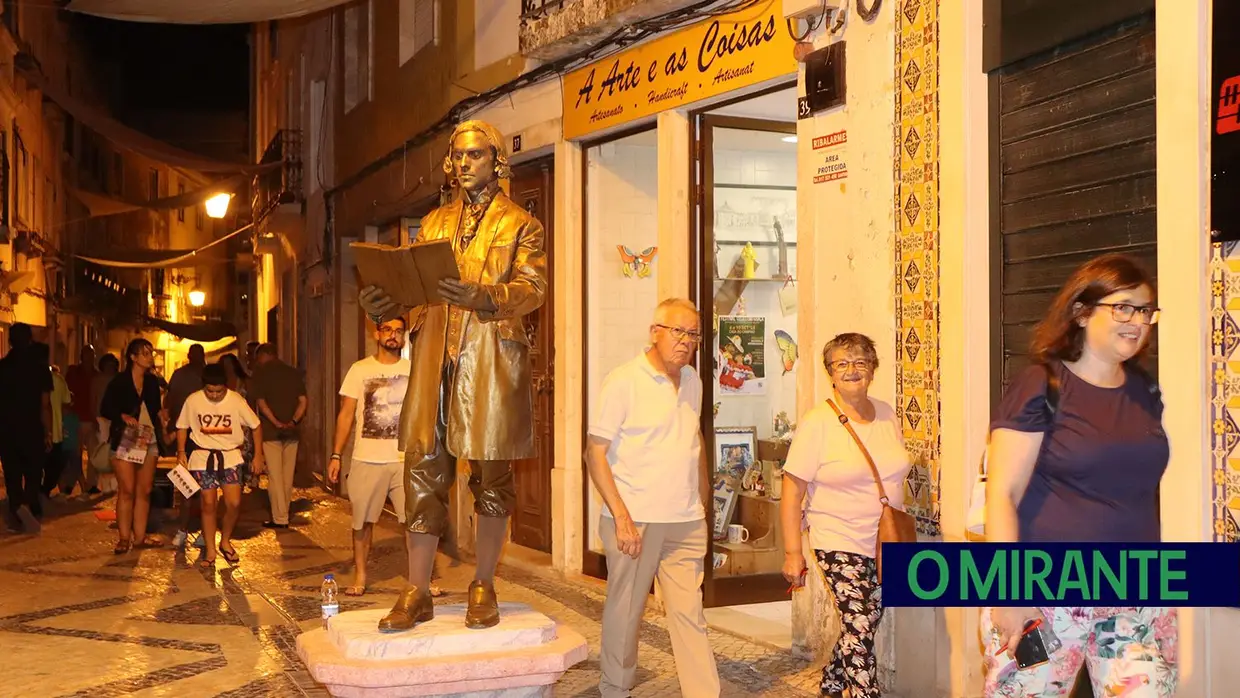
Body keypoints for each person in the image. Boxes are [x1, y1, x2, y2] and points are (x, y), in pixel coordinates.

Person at [359, 119, 547, 631]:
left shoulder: (520, 224)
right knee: (422, 470)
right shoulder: (435, 222)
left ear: (496, 160)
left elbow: (535, 288)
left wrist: (488, 297)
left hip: (488, 356)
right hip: (435, 358)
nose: (465, 164)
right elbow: (415, 290)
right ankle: (417, 589)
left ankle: (483, 581)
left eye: (475, 155)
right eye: (458, 156)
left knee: (492, 475)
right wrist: (384, 303)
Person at [982, 253, 1174, 698]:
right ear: (1082, 312)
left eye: (1146, 310)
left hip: (1132, 591)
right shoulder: (1042, 384)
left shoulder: (1145, 391)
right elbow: (1003, 494)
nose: (1138, 321)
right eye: (1123, 307)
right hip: (1044, 593)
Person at [584, 298, 719, 698]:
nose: (685, 341)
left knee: (689, 614)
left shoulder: (692, 380)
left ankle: (703, 693)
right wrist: (621, 517)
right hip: (636, 519)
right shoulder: (624, 380)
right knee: (626, 613)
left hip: (685, 519)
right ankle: (616, 690)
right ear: (654, 332)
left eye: (692, 334)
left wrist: (704, 496)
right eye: (677, 331)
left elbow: (692, 437)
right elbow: (595, 453)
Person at [779, 333, 912, 698]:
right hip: (838, 538)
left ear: (872, 369)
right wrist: (793, 552)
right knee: (859, 622)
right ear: (830, 373)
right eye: (843, 363)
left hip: (886, 542)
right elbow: (791, 491)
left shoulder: (886, 413)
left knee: (866, 621)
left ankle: (833, 683)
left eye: (860, 362)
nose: (852, 370)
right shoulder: (818, 423)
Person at [328, 317, 411, 596]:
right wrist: (336, 454)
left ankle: (419, 579)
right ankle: (361, 575)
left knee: (414, 522)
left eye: (398, 331)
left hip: (405, 460)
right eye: (388, 330)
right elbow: (346, 415)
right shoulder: (359, 370)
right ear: (377, 333)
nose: (393, 336)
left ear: (403, 336)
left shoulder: (413, 370)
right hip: (367, 458)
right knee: (362, 522)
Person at [176, 364, 265, 568]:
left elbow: (256, 425)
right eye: (210, 391)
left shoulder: (235, 399)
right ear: (203, 387)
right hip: (202, 457)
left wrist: (258, 455)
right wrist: (181, 453)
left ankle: (225, 540)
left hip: (230, 457)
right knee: (208, 504)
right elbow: (182, 426)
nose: (214, 395)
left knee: (233, 503)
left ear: (225, 387)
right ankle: (210, 549)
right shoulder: (193, 400)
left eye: (219, 391)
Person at [100, 338, 167, 553]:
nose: (150, 357)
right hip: (128, 438)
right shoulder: (119, 382)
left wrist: (162, 416)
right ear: (133, 357)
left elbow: (156, 408)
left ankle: (139, 537)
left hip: (149, 438)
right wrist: (122, 415)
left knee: (144, 490)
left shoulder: (152, 383)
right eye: (145, 353)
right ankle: (123, 537)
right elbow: (105, 408)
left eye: (151, 353)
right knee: (127, 489)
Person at [248, 344, 307, 529]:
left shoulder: (261, 374)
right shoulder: (292, 373)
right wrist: (293, 422)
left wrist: (275, 422)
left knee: (275, 476)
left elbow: (260, 402)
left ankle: (280, 518)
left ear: (264, 355)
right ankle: (284, 513)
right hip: (292, 432)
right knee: (287, 475)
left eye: (258, 357)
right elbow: (303, 401)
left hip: (271, 432)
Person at [0, 323, 52, 533]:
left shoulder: (2, 367)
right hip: (32, 426)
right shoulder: (39, 368)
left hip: (6, 427)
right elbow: (45, 404)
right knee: (33, 472)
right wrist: (48, 431)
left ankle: (16, 510)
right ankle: (28, 505)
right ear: (29, 340)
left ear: (10, 341)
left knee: (12, 473)